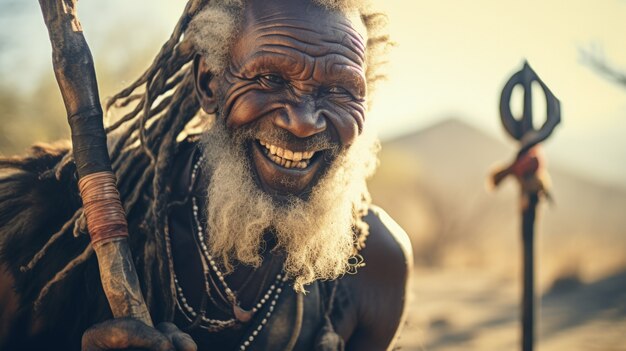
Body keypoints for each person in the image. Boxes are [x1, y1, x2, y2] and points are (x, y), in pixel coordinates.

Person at [0, 0, 412, 349]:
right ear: (210, 83)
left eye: (340, 89)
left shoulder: (376, 261)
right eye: (270, 78)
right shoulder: (43, 224)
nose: (304, 122)